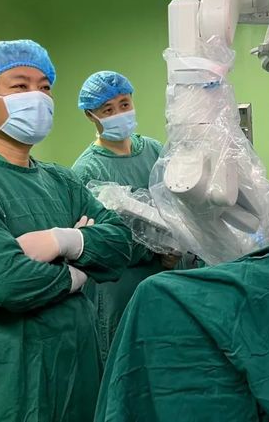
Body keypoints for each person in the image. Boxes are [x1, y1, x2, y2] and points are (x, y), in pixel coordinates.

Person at [0, 40, 132, 422]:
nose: (38, 97)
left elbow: (119, 244)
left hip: (73, 376)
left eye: (44, 87)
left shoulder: (61, 180)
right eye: (20, 86)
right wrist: (80, 270)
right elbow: (6, 281)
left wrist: (62, 241)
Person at [72, 70, 178, 362]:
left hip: (166, 274)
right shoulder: (86, 170)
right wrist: (153, 251)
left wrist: (177, 248)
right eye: (108, 110)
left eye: (124, 104)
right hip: (119, 286)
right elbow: (97, 242)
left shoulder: (154, 150)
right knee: (126, 360)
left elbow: (177, 210)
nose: (119, 113)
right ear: (90, 115)